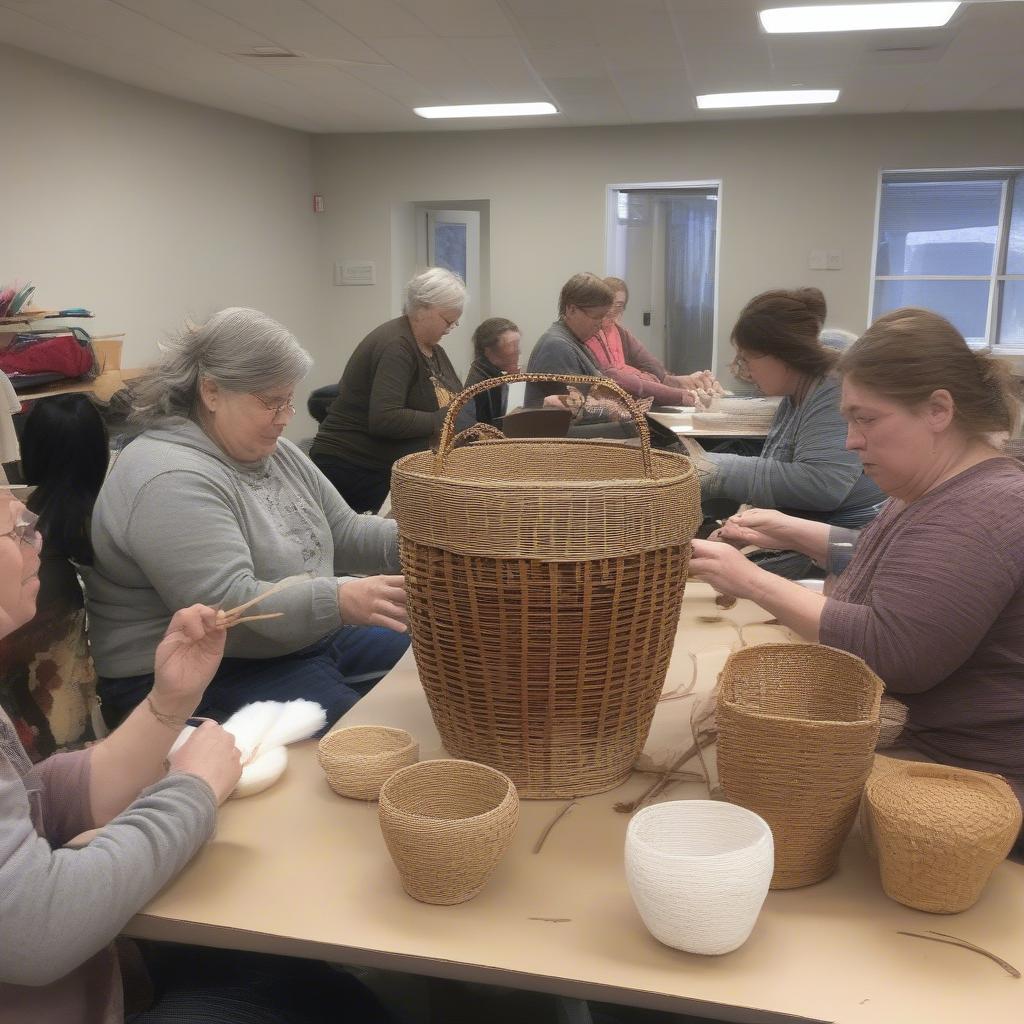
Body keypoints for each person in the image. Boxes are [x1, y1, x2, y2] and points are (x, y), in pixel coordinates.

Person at [0, 488, 392, 1023]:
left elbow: (32, 805)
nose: (37, 540)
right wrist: (192, 792)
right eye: (18, 530)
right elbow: (35, 930)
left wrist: (168, 705)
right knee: (286, 986)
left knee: (293, 978)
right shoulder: (170, 477)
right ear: (210, 396)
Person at [690, 308, 1024, 816]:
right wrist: (802, 533)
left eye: (866, 419)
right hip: (941, 758)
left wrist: (753, 582)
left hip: (965, 789)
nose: (850, 440)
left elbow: (893, 651)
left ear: (938, 410)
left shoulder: (982, 510)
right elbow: (910, 565)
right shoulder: (940, 487)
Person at [86, 308, 409, 732]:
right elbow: (230, 604)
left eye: (288, 400)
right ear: (212, 392)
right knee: (361, 741)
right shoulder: (168, 476)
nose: (284, 417)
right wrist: (341, 599)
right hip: (201, 673)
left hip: (292, 644)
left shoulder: (270, 449)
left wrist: (432, 542)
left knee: (429, 663)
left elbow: (343, 531)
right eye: (270, 401)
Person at [686, 287, 884, 576]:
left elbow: (824, 485)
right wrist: (739, 525)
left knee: (708, 576)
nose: (745, 370)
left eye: (747, 358)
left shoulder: (833, 390)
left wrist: (717, 471)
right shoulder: (796, 395)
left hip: (841, 550)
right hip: (806, 532)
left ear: (782, 355)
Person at [0, 395, 109, 759]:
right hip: (73, 721)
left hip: (30, 726)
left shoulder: (22, 530)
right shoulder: (108, 523)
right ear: (100, 451)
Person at [310, 268, 466, 513]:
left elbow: (458, 398)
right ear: (422, 309)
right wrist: (444, 419)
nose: (452, 327)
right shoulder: (396, 346)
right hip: (356, 470)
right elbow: (386, 419)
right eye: (448, 320)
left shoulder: (433, 349)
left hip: (382, 467)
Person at [584, 277, 718, 407]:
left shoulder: (620, 331)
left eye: (618, 305)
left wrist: (686, 381)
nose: (612, 310)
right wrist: (679, 394)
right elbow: (614, 376)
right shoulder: (589, 332)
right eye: (608, 303)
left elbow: (649, 363)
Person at [464, 317, 520, 426]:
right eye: (511, 345)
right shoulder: (481, 385)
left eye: (517, 345)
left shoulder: (495, 375)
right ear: (488, 350)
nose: (517, 351)